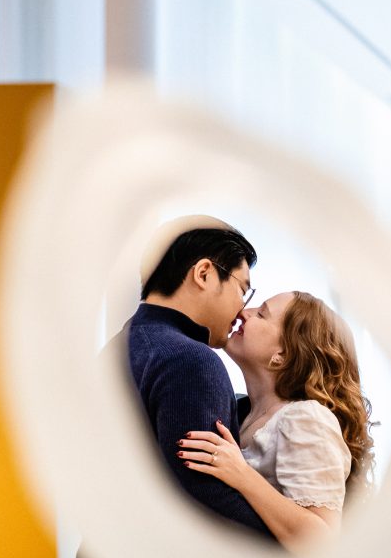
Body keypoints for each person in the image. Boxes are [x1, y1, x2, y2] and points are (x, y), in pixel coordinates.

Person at [109, 215, 273, 537]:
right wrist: (294, 542)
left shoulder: (118, 348)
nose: (242, 310)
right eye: (243, 289)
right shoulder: (190, 359)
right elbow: (206, 498)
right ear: (204, 273)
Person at [176, 290, 375, 554]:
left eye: (261, 313)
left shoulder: (306, 418)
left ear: (283, 353)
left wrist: (241, 475)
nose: (242, 313)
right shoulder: (243, 412)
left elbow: (321, 542)